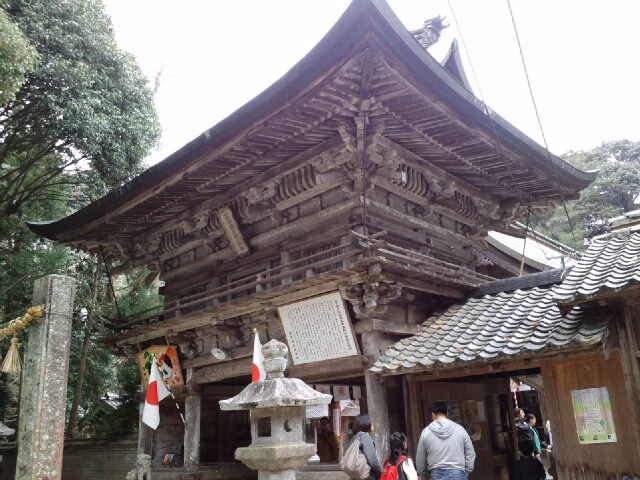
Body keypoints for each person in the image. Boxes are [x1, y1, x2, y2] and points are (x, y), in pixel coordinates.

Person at [416, 401, 476, 480]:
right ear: (447, 414)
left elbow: (420, 456)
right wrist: (467, 470)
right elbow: (470, 452)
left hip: (436, 474)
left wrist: (421, 474)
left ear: (433, 415)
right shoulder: (460, 429)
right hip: (458, 473)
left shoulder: (426, 432)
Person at [353, 413, 383, 480]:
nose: (372, 423)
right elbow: (372, 461)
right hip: (368, 476)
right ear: (365, 423)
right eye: (370, 421)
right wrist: (380, 474)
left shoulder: (356, 437)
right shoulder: (365, 437)